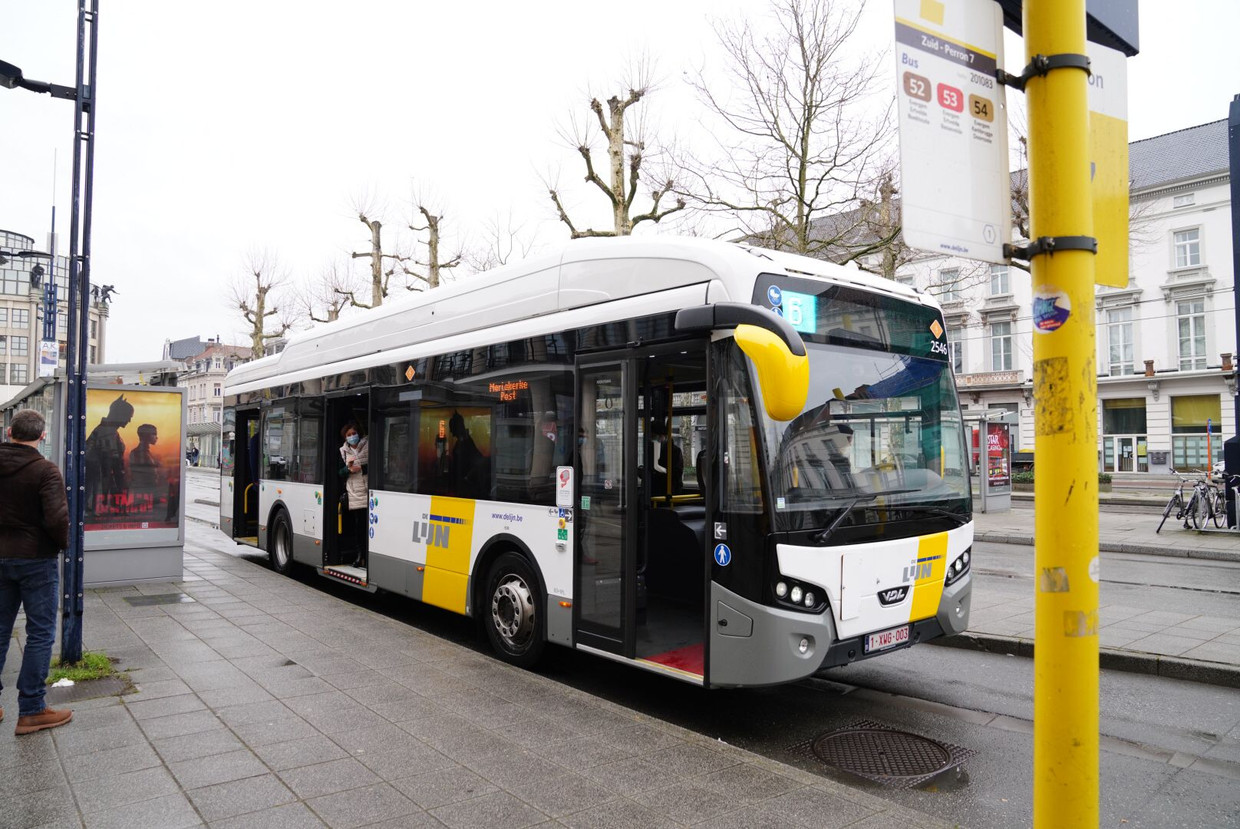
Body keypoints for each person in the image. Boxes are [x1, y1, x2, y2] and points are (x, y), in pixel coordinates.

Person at [0, 409, 73, 735]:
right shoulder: (45, 471)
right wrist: (60, 545)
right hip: (35, 560)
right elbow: (57, 519)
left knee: (0, 630)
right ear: (41, 436)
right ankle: (31, 709)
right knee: (40, 633)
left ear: (8, 431)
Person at [84, 394, 133, 517]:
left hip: (98, 482)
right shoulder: (106, 432)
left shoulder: (105, 430)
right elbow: (111, 463)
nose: (129, 420)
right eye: (128, 416)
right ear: (120, 415)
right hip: (100, 483)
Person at [339, 422, 369, 568]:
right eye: (348, 435)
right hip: (354, 493)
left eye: (353, 434)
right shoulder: (343, 451)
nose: (352, 437)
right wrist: (348, 470)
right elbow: (339, 472)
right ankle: (360, 555)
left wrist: (361, 468)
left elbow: (379, 464)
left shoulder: (368, 445)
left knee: (368, 525)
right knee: (359, 526)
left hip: (369, 490)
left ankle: (367, 555)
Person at [448, 412, 485, 498]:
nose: (450, 431)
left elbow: (478, 460)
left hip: (465, 487)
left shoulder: (466, 442)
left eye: (452, 427)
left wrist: (467, 478)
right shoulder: (462, 441)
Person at [128, 424, 162, 516]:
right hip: (142, 493)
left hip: (146, 492)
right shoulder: (139, 453)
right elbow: (143, 471)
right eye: (154, 434)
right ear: (146, 436)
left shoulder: (146, 453)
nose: (156, 437)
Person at [651, 421, 684, 496]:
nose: (654, 440)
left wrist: (655, 473)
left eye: (655, 436)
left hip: (669, 492)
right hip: (657, 491)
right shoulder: (653, 449)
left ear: (664, 436)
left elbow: (676, 473)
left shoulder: (675, 451)